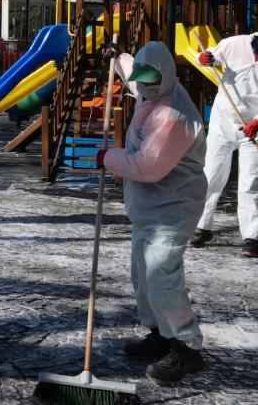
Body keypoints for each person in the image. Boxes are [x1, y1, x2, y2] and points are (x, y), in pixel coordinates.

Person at [97, 41, 207, 385]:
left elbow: (148, 166)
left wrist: (107, 158)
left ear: (167, 77)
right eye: (141, 78)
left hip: (173, 206)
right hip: (147, 207)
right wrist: (116, 57)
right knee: (142, 275)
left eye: (151, 79)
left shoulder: (172, 115)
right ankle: (160, 334)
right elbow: (133, 75)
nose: (143, 85)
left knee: (161, 278)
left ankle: (187, 349)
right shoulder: (149, 87)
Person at [191, 32, 258, 258]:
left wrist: (257, 123)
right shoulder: (234, 44)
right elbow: (210, 55)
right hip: (223, 120)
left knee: (250, 180)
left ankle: (252, 236)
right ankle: (202, 226)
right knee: (211, 174)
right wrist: (206, 58)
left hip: (253, 125)